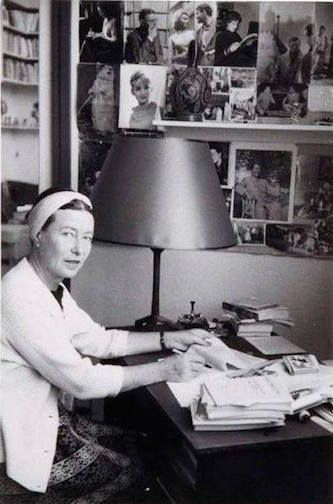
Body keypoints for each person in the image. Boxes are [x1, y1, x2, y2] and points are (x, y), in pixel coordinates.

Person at [1, 189, 211, 500]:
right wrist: (166, 369)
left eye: (86, 237)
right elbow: (82, 383)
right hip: (20, 439)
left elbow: (99, 339)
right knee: (138, 469)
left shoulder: (48, 287)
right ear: (39, 235)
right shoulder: (18, 297)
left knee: (144, 442)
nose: (79, 249)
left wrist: (167, 338)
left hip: (47, 421)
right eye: (68, 234)